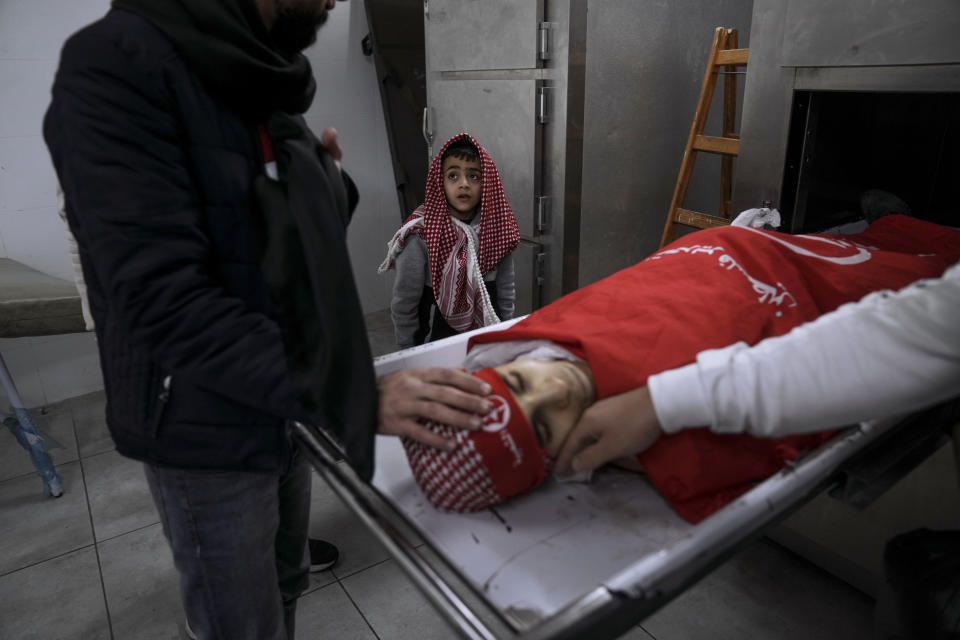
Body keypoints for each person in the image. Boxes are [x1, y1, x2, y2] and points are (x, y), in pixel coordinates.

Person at [44, 2, 490, 639]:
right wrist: (352, 393)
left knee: (286, 582)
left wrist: (324, 189)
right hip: (204, 428)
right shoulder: (115, 67)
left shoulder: (252, 63)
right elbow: (163, 303)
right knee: (241, 625)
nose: (335, 1)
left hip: (284, 398)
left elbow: (256, 236)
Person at [401, 215, 960, 522]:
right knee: (898, 271)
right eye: (544, 426)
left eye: (522, 380)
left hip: (739, 253)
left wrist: (737, 239)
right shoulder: (645, 443)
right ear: (563, 458)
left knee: (869, 245)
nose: (557, 388)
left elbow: (635, 292)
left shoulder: (543, 337)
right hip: (791, 288)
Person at [379, 133, 520, 348]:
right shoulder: (419, 233)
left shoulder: (497, 226)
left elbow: (506, 287)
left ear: (487, 183)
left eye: (474, 176)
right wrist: (408, 351)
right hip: (436, 336)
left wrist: (507, 328)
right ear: (440, 181)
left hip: (488, 332)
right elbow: (406, 302)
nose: (464, 184)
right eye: (453, 176)